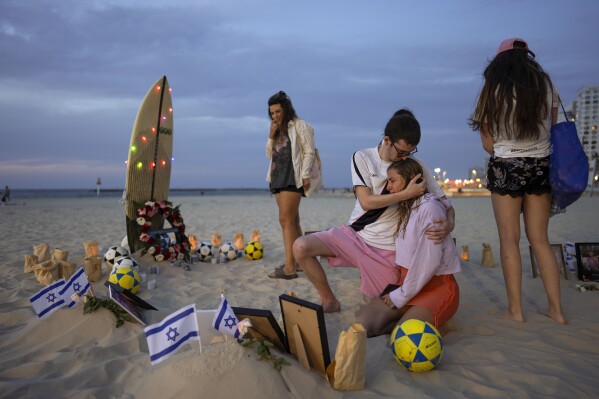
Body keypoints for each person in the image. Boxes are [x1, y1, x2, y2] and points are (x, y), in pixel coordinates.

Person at [293, 109, 455, 312]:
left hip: (387, 250)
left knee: (383, 310)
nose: (405, 158)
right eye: (401, 152)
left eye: (410, 153)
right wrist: (405, 194)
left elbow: (446, 205)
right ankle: (329, 301)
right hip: (353, 236)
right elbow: (366, 202)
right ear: (387, 140)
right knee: (300, 246)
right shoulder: (363, 157)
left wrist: (449, 224)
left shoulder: (416, 165)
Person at [469, 38, 566, 324]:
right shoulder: (546, 85)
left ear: (498, 63)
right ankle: (557, 312)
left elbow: (488, 145)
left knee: (509, 240)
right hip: (541, 167)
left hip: (506, 167)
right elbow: (554, 128)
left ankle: (516, 311)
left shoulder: (492, 91)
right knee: (540, 241)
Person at [356, 159, 460, 337]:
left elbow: (429, 263)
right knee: (363, 324)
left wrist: (400, 296)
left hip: (436, 287)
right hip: (407, 284)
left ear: (412, 179)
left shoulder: (430, 208)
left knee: (403, 337)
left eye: (392, 180)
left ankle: (430, 318)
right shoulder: (407, 206)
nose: (388, 187)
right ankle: (415, 317)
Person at [265, 91, 315, 279]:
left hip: (292, 177)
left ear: (286, 108)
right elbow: (269, 154)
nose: (275, 116)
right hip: (277, 176)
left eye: (278, 111)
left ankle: (289, 268)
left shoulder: (301, 125)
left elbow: (309, 152)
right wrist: (271, 135)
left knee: (285, 220)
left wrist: (305, 175)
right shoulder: (275, 128)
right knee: (293, 221)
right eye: (272, 113)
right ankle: (300, 262)